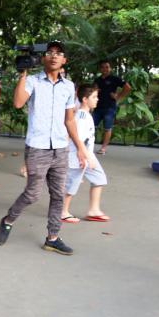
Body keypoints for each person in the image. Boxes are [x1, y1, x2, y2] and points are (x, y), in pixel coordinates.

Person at [0, 40, 87, 256]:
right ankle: (8, 220)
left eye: (59, 53)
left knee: (58, 195)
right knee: (33, 193)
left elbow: (70, 120)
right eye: (50, 52)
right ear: (44, 58)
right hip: (38, 147)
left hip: (61, 149)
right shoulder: (33, 81)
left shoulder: (69, 86)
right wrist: (22, 73)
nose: (54, 56)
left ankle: (52, 238)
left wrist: (80, 147)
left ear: (64, 60)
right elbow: (18, 103)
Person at [61, 84, 109, 223]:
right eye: (94, 97)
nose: (97, 99)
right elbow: (79, 140)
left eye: (97, 97)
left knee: (99, 178)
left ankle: (93, 210)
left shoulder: (86, 115)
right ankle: (62, 212)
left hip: (86, 155)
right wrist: (87, 157)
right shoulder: (81, 117)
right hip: (78, 156)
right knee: (71, 184)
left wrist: (90, 157)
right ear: (84, 99)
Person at [93, 60, 131, 155]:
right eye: (103, 67)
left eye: (107, 67)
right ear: (100, 69)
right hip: (97, 108)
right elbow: (94, 90)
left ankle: (103, 148)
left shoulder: (115, 79)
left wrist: (119, 96)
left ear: (110, 68)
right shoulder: (97, 80)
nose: (105, 69)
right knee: (91, 127)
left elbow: (127, 87)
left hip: (109, 108)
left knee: (107, 128)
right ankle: (87, 146)